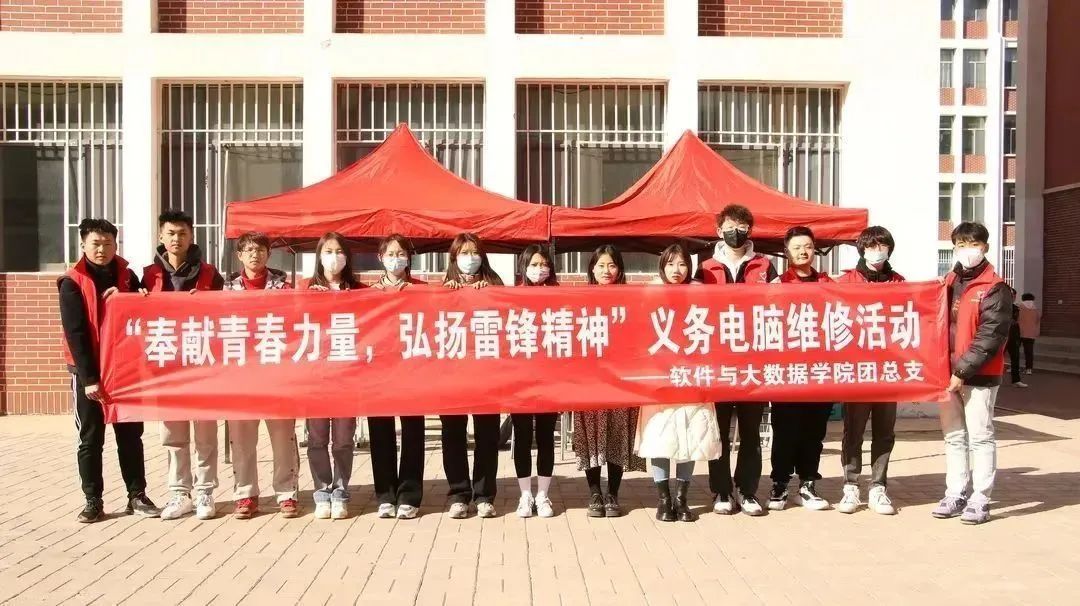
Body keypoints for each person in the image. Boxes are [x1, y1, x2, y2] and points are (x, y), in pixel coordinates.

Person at [58, 218, 160, 523]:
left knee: (130, 435)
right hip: (88, 372)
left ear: (116, 245)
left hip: (125, 370)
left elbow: (147, 310)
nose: (102, 249)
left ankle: (137, 495)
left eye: (107, 243)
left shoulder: (128, 276)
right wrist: (90, 378)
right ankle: (93, 500)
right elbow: (75, 333)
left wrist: (132, 297)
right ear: (83, 245)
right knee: (91, 438)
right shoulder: (72, 281)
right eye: (95, 243)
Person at [694, 204, 777, 517]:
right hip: (717, 361)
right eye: (730, 227)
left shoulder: (765, 266)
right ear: (719, 231)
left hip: (753, 361)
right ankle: (721, 490)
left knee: (751, 430)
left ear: (750, 231)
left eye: (742, 227)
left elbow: (779, 306)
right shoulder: (705, 268)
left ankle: (747, 489)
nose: (736, 232)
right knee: (718, 431)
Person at [143, 210, 225, 521]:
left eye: (182, 233)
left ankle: (205, 491)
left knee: (205, 433)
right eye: (171, 233)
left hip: (202, 365)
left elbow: (226, 317)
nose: (176, 239)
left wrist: (206, 302)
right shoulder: (147, 276)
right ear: (161, 237)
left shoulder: (211, 275)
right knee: (173, 434)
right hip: (167, 366)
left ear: (192, 237)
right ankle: (179, 492)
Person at [931, 222, 1012, 525]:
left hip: (978, 376)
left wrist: (962, 371)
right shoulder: (949, 282)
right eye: (961, 245)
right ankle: (955, 493)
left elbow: (991, 336)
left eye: (974, 244)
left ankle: (981, 498)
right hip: (946, 374)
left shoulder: (996, 287)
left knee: (980, 436)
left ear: (985, 247)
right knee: (953, 436)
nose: (968, 250)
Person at [635, 244, 721, 522]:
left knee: (690, 437)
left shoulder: (700, 294)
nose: (676, 270)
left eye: (682, 264)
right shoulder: (649, 293)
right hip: (659, 378)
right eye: (670, 264)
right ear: (662, 266)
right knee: (661, 438)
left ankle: (682, 500)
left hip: (692, 376)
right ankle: (664, 500)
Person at [224, 232, 300, 519]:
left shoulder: (284, 288)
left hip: (276, 375)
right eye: (248, 250)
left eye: (260, 250)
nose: (254, 254)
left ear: (269, 254)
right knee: (242, 438)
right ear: (239, 255)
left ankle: (286, 493)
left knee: (282, 437)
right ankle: (245, 493)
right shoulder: (225, 290)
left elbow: (295, 324)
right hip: (240, 376)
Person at [834, 225, 904, 516]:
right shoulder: (846, 281)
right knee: (854, 430)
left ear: (889, 250)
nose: (877, 251)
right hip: (857, 370)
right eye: (872, 246)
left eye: (882, 246)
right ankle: (851, 485)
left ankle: (878, 487)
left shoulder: (900, 283)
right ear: (862, 249)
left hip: (888, 369)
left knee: (885, 432)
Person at [574, 245, 647, 518]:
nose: (607, 270)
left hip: (621, 380)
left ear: (620, 269)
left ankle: (613, 493)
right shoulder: (580, 300)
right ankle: (594, 493)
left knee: (617, 434)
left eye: (612, 265)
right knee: (591, 436)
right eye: (601, 265)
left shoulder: (630, 299)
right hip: (589, 380)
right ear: (592, 269)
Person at [767, 227, 834, 511]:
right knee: (785, 429)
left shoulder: (828, 284)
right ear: (787, 252)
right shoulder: (777, 285)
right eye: (796, 247)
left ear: (814, 249)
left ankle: (807, 483)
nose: (803, 252)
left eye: (807, 246)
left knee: (814, 431)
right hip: (787, 370)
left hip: (820, 370)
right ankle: (780, 483)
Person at [440, 233, 504, 518]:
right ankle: (459, 494)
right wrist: (446, 296)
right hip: (451, 374)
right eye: (464, 253)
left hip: (486, 373)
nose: (470, 258)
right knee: (453, 434)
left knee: (487, 434)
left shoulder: (494, 283)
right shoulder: (443, 288)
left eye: (474, 252)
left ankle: (484, 495)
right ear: (454, 258)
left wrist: (490, 293)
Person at [368, 234, 428, 520]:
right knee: (380, 433)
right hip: (378, 372)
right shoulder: (367, 293)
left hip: (411, 371)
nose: (396, 259)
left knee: (413, 432)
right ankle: (385, 495)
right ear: (380, 257)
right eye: (390, 254)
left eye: (401, 253)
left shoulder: (422, 290)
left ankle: (409, 495)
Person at [305, 232, 362, 519]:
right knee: (316, 438)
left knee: (342, 439)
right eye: (328, 251)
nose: (334, 257)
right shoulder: (305, 289)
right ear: (319, 256)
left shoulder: (359, 290)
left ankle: (340, 491)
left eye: (339, 251)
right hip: (315, 378)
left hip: (347, 377)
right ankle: (321, 491)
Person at [511, 244, 560, 519]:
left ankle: (543, 494)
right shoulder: (512, 296)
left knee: (545, 436)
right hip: (520, 379)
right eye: (533, 264)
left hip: (550, 378)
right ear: (524, 267)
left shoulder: (559, 296)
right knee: (521, 436)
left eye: (543, 264)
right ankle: (525, 495)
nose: (539, 269)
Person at [1005, 288, 1028, 389]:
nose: (1013, 298)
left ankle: (1016, 380)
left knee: (1015, 358)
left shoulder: (1016, 308)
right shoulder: (1000, 306)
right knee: (996, 358)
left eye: (1014, 296)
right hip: (1002, 336)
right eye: (1011, 296)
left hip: (1013, 337)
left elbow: (1018, 321)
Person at [1018, 293, 1041, 375]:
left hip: (1019, 332)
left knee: (1016, 351)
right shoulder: (1036, 309)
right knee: (1029, 352)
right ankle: (1029, 369)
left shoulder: (1019, 307)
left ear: (1023, 298)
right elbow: (1038, 321)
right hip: (1031, 333)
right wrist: (1037, 332)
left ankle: (1015, 367)